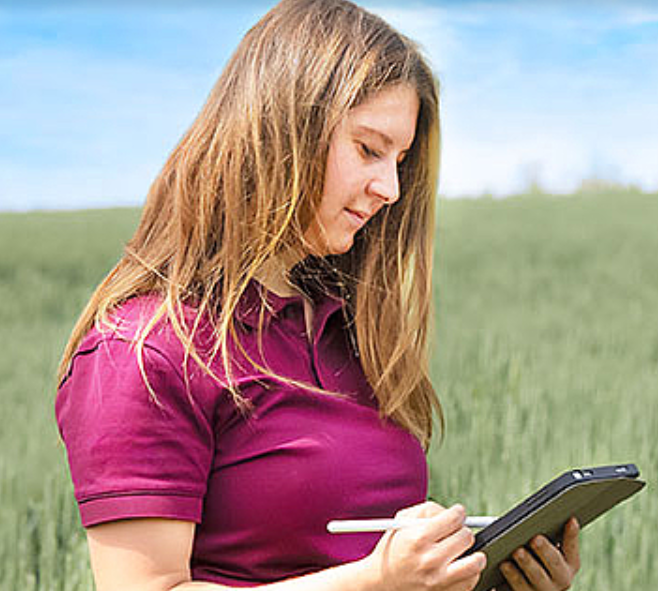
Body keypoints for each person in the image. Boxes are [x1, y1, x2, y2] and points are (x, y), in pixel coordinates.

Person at [54, 2, 583, 591]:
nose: (391, 188)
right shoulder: (144, 351)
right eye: (369, 149)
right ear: (281, 131)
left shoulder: (343, 329)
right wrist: (377, 581)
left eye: (400, 160)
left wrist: (481, 578)